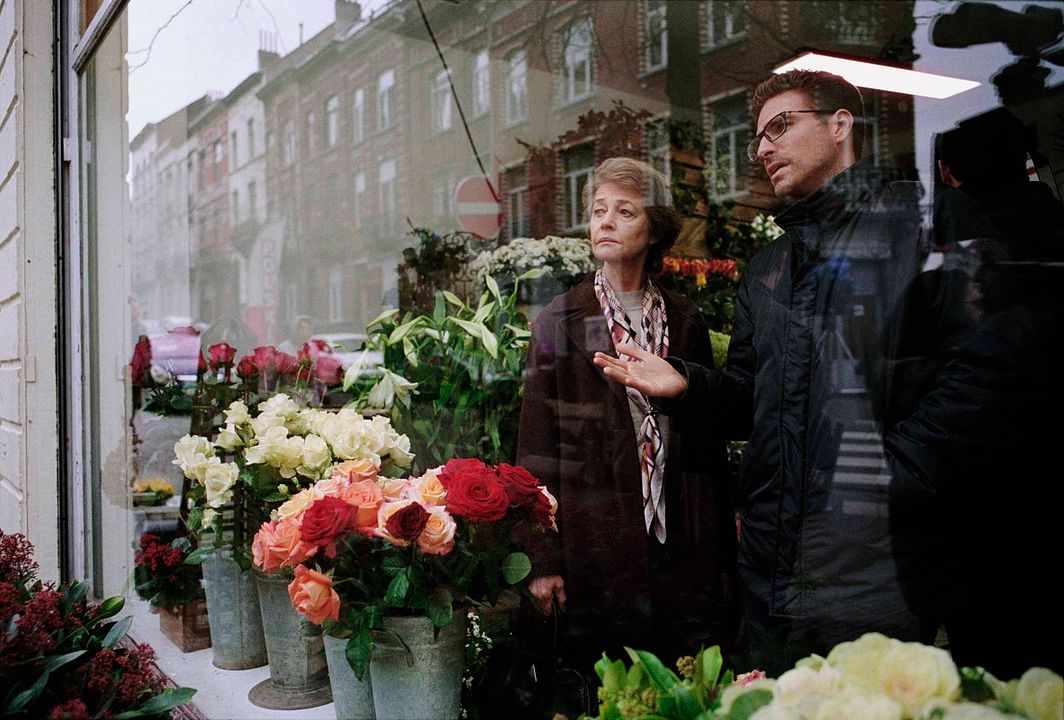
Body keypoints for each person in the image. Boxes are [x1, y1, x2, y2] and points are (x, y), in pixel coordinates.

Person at [594, 71, 934, 673]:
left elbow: (966, 386)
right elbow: (755, 401)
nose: (763, 149)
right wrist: (687, 383)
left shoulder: (911, 233)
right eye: (758, 138)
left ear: (839, 125)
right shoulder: (770, 269)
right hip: (773, 567)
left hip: (876, 563)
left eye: (781, 127)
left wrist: (896, 478)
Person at [517, 158, 736, 701]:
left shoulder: (685, 318)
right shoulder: (560, 319)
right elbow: (536, 446)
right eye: (597, 212)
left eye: (624, 211)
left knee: (680, 686)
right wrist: (542, 560)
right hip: (597, 536)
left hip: (678, 532)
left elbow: (706, 434)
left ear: (654, 228)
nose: (605, 222)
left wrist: (719, 528)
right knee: (609, 689)